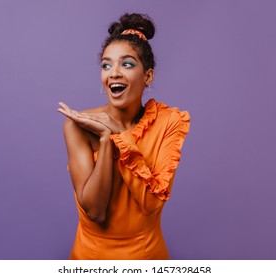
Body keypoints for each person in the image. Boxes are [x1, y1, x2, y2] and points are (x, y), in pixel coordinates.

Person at [57, 13, 190, 260]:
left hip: (148, 257)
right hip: (92, 259)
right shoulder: (78, 126)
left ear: (147, 76)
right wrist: (107, 140)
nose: (114, 73)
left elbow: (151, 205)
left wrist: (120, 135)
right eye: (107, 65)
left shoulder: (169, 122)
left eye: (126, 64)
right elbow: (95, 211)